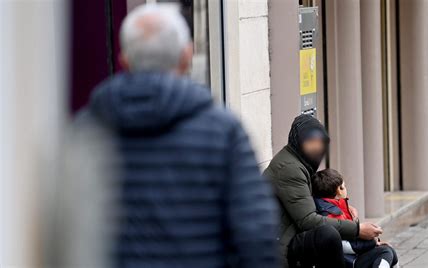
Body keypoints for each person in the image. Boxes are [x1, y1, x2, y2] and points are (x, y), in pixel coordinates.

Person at [78, 4, 278, 267]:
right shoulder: (223, 132)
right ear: (187, 55)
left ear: (124, 59)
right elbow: (257, 236)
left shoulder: (87, 131)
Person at [263, 114, 383, 268]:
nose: (317, 147)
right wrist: (358, 230)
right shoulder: (290, 168)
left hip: (290, 230)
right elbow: (308, 220)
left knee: (332, 229)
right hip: (278, 240)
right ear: (298, 141)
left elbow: (309, 202)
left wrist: (341, 206)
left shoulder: (299, 161)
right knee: (327, 235)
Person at [313, 169, 399, 268]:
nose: (346, 189)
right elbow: (345, 245)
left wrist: (375, 242)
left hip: (353, 257)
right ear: (339, 190)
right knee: (385, 252)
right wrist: (372, 242)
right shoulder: (331, 214)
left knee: (389, 251)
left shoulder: (334, 209)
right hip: (349, 261)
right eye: (344, 186)